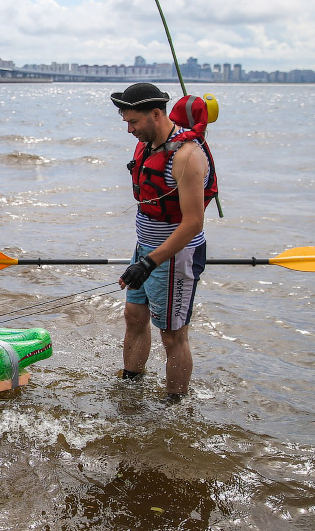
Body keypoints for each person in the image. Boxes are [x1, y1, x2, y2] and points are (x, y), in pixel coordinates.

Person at [110, 82, 218, 401]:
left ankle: (175, 406)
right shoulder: (145, 144)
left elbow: (193, 223)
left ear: (156, 114)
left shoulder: (186, 156)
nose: (129, 129)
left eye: (134, 122)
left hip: (176, 257)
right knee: (134, 316)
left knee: (172, 336)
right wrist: (144, 258)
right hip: (146, 248)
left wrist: (150, 262)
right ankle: (131, 387)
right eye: (126, 122)